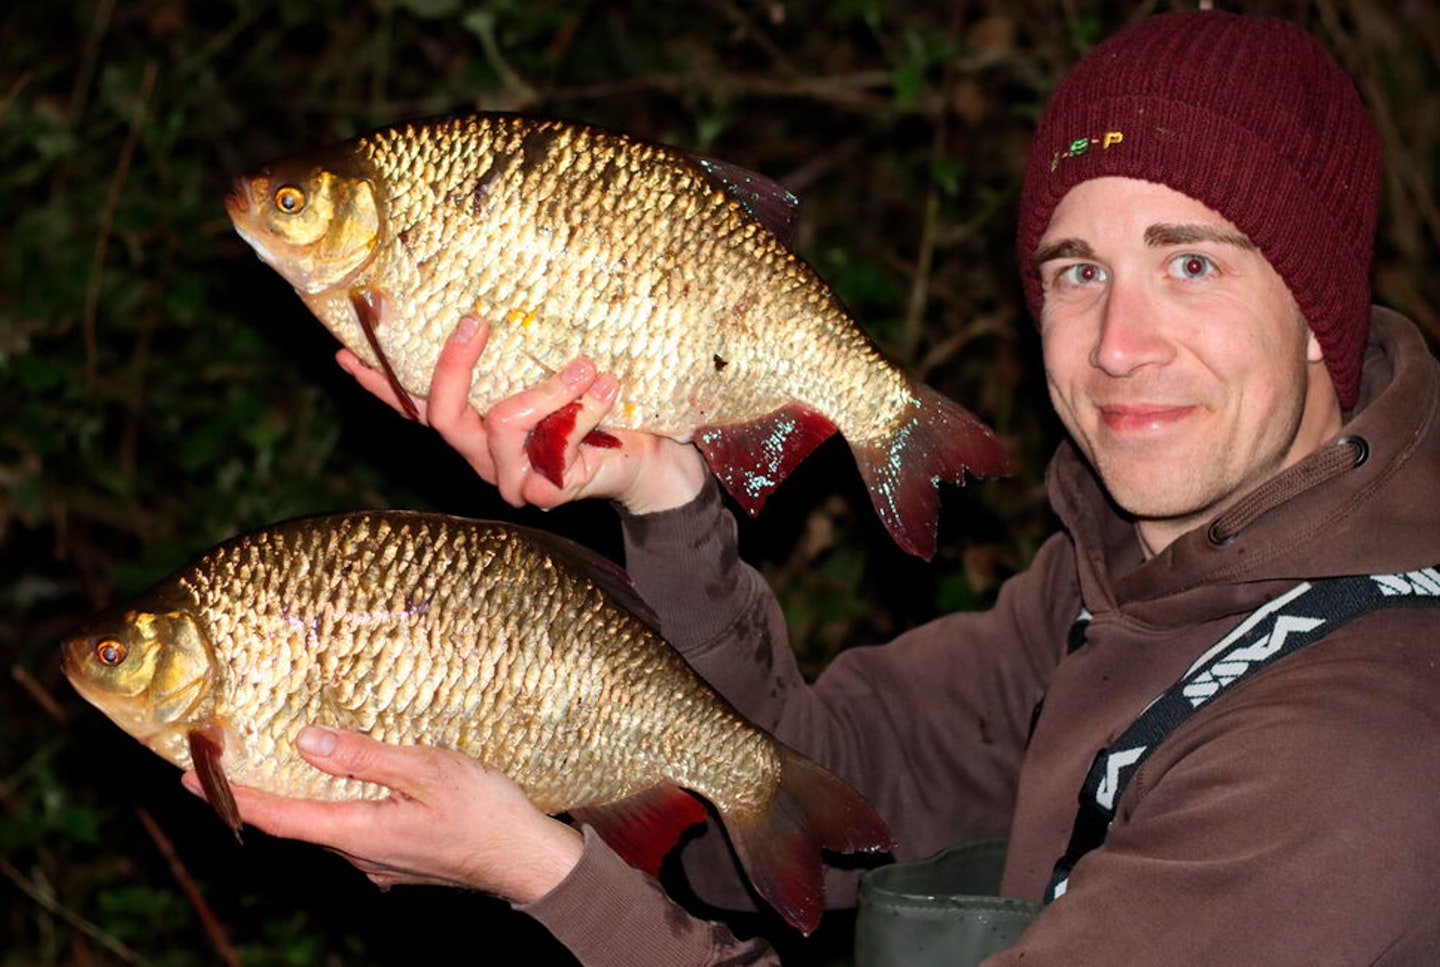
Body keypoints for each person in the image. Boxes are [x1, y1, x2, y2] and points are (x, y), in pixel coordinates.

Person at [198, 10, 1440, 964]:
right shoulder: (1112, 590)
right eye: (1075, 271)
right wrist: (665, 493)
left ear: (1318, 309)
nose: (1120, 343)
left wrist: (540, 868)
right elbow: (810, 786)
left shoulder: (1359, 748)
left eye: (1193, 264)